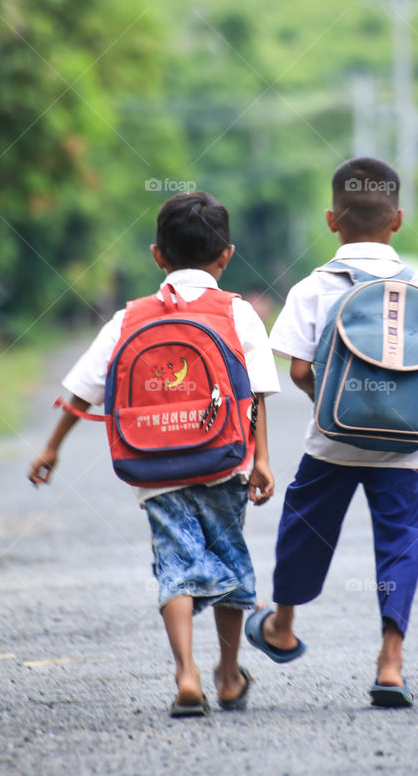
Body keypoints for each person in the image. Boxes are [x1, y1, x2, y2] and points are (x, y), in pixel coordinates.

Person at [27, 192, 279, 717]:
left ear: (156, 255)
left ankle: (185, 673)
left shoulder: (130, 317)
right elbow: (255, 393)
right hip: (223, 459)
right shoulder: (237, 312)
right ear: (226, 255)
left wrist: (51, 448)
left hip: (155, 464)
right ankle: (229, 675)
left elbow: (82, 390)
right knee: (229, 558)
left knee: (175, 564)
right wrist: (261, 460)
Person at [244, 157, 418, 708]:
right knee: (400, 543)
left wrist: (338, 405)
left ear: (331, 219)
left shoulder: (314, 287)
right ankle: (390, 663)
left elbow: (295, 369)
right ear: (399, 220)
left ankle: (282, 625)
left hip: (332, 444)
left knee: (304, 528)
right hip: (407, 450)